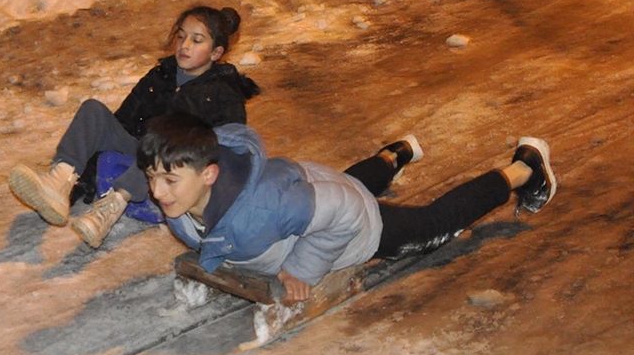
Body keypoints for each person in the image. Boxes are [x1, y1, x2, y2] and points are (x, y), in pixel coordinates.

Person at [137, 114, 557, 304]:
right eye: (152, 177)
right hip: (311, 192)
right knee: (334, 191)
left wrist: (301, 269)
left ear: (210, 174)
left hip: (352, 222)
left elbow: (346, 212)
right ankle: (396, 154)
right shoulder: (190, 191)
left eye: (169, 181)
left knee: (432, 224)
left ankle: (524, 168)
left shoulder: (264, 211)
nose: (157, 191)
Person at [8, 6, 261, 248]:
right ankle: (61, 181)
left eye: (196, 40)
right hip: (137, 154)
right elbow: (123, 121)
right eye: (181, 36)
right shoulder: (160, 76)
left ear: (215, 53)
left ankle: (113, 206)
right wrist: (85, 180)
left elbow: (229, 149)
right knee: (93, 110)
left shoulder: (223, 94)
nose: (184, 45)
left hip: (175, 174)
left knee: (161, 140)